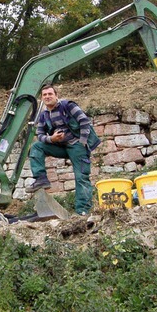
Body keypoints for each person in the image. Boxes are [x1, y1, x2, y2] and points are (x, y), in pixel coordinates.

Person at [27, 84, 100, 215]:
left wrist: (82, 142)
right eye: (45, 95)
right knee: (36, 147)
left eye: (50, 94)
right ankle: (41, 178)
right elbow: (40, 135)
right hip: (60, 147)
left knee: (81, 177)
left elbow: (84, 121)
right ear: (42, 98)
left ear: (56, 96)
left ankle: (83, 211)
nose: (47, 96)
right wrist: (52, 139)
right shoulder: (44, 115)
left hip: (77, 145)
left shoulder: (68, 106)